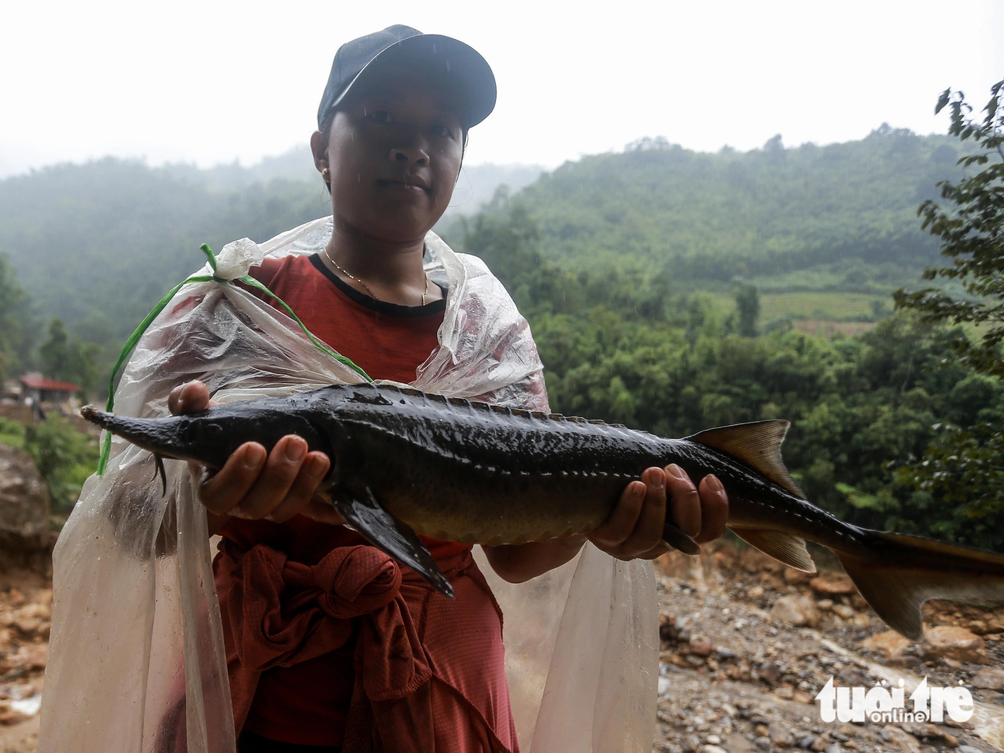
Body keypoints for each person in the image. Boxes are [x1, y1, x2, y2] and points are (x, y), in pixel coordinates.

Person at [168, 26, 728, 753]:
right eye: (380, 119)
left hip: (438, 700)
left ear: (462, 157)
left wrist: (609, 520)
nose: (412, 145)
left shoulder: (488, 334)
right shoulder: (241, 305)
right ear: (319, 150)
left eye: (440, 128)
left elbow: (520, 553)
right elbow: (134, 516)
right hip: (258, 704)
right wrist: (184, 480)